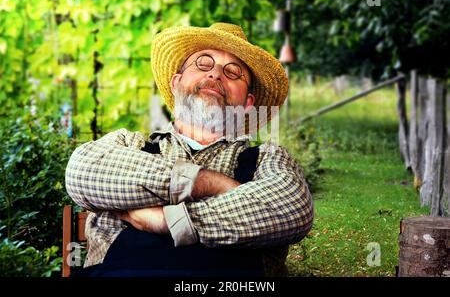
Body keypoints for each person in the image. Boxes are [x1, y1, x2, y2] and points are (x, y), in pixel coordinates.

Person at [65, 22, 314, 277]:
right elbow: (81, 172)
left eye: (233, 72)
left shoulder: (268, 158)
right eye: (203, 63)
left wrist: (168, 220)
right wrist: (211, 183)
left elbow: (293, 208)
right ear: (176, 82)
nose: (216, 74)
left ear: (248, 103)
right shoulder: (129, 144)